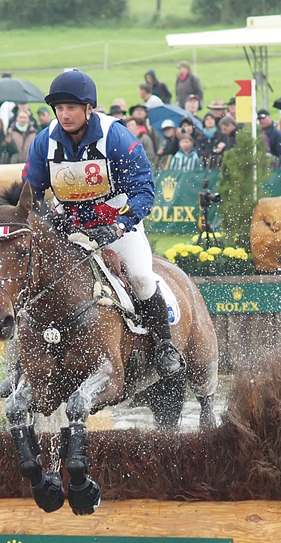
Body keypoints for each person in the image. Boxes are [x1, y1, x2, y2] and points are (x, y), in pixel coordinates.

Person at [24, 69, 182, 376]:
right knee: (35, 283)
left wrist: (121, 224)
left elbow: (143, 188)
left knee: (139, 276)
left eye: (71, 107)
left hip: (115, 225)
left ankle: (164, 345)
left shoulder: (116, 137)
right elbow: (30, 192)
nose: (64, 115)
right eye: (59, 108)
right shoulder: (44, 142)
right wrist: (49, 220)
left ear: (88, 109)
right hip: (68, 227)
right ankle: (22, 364)